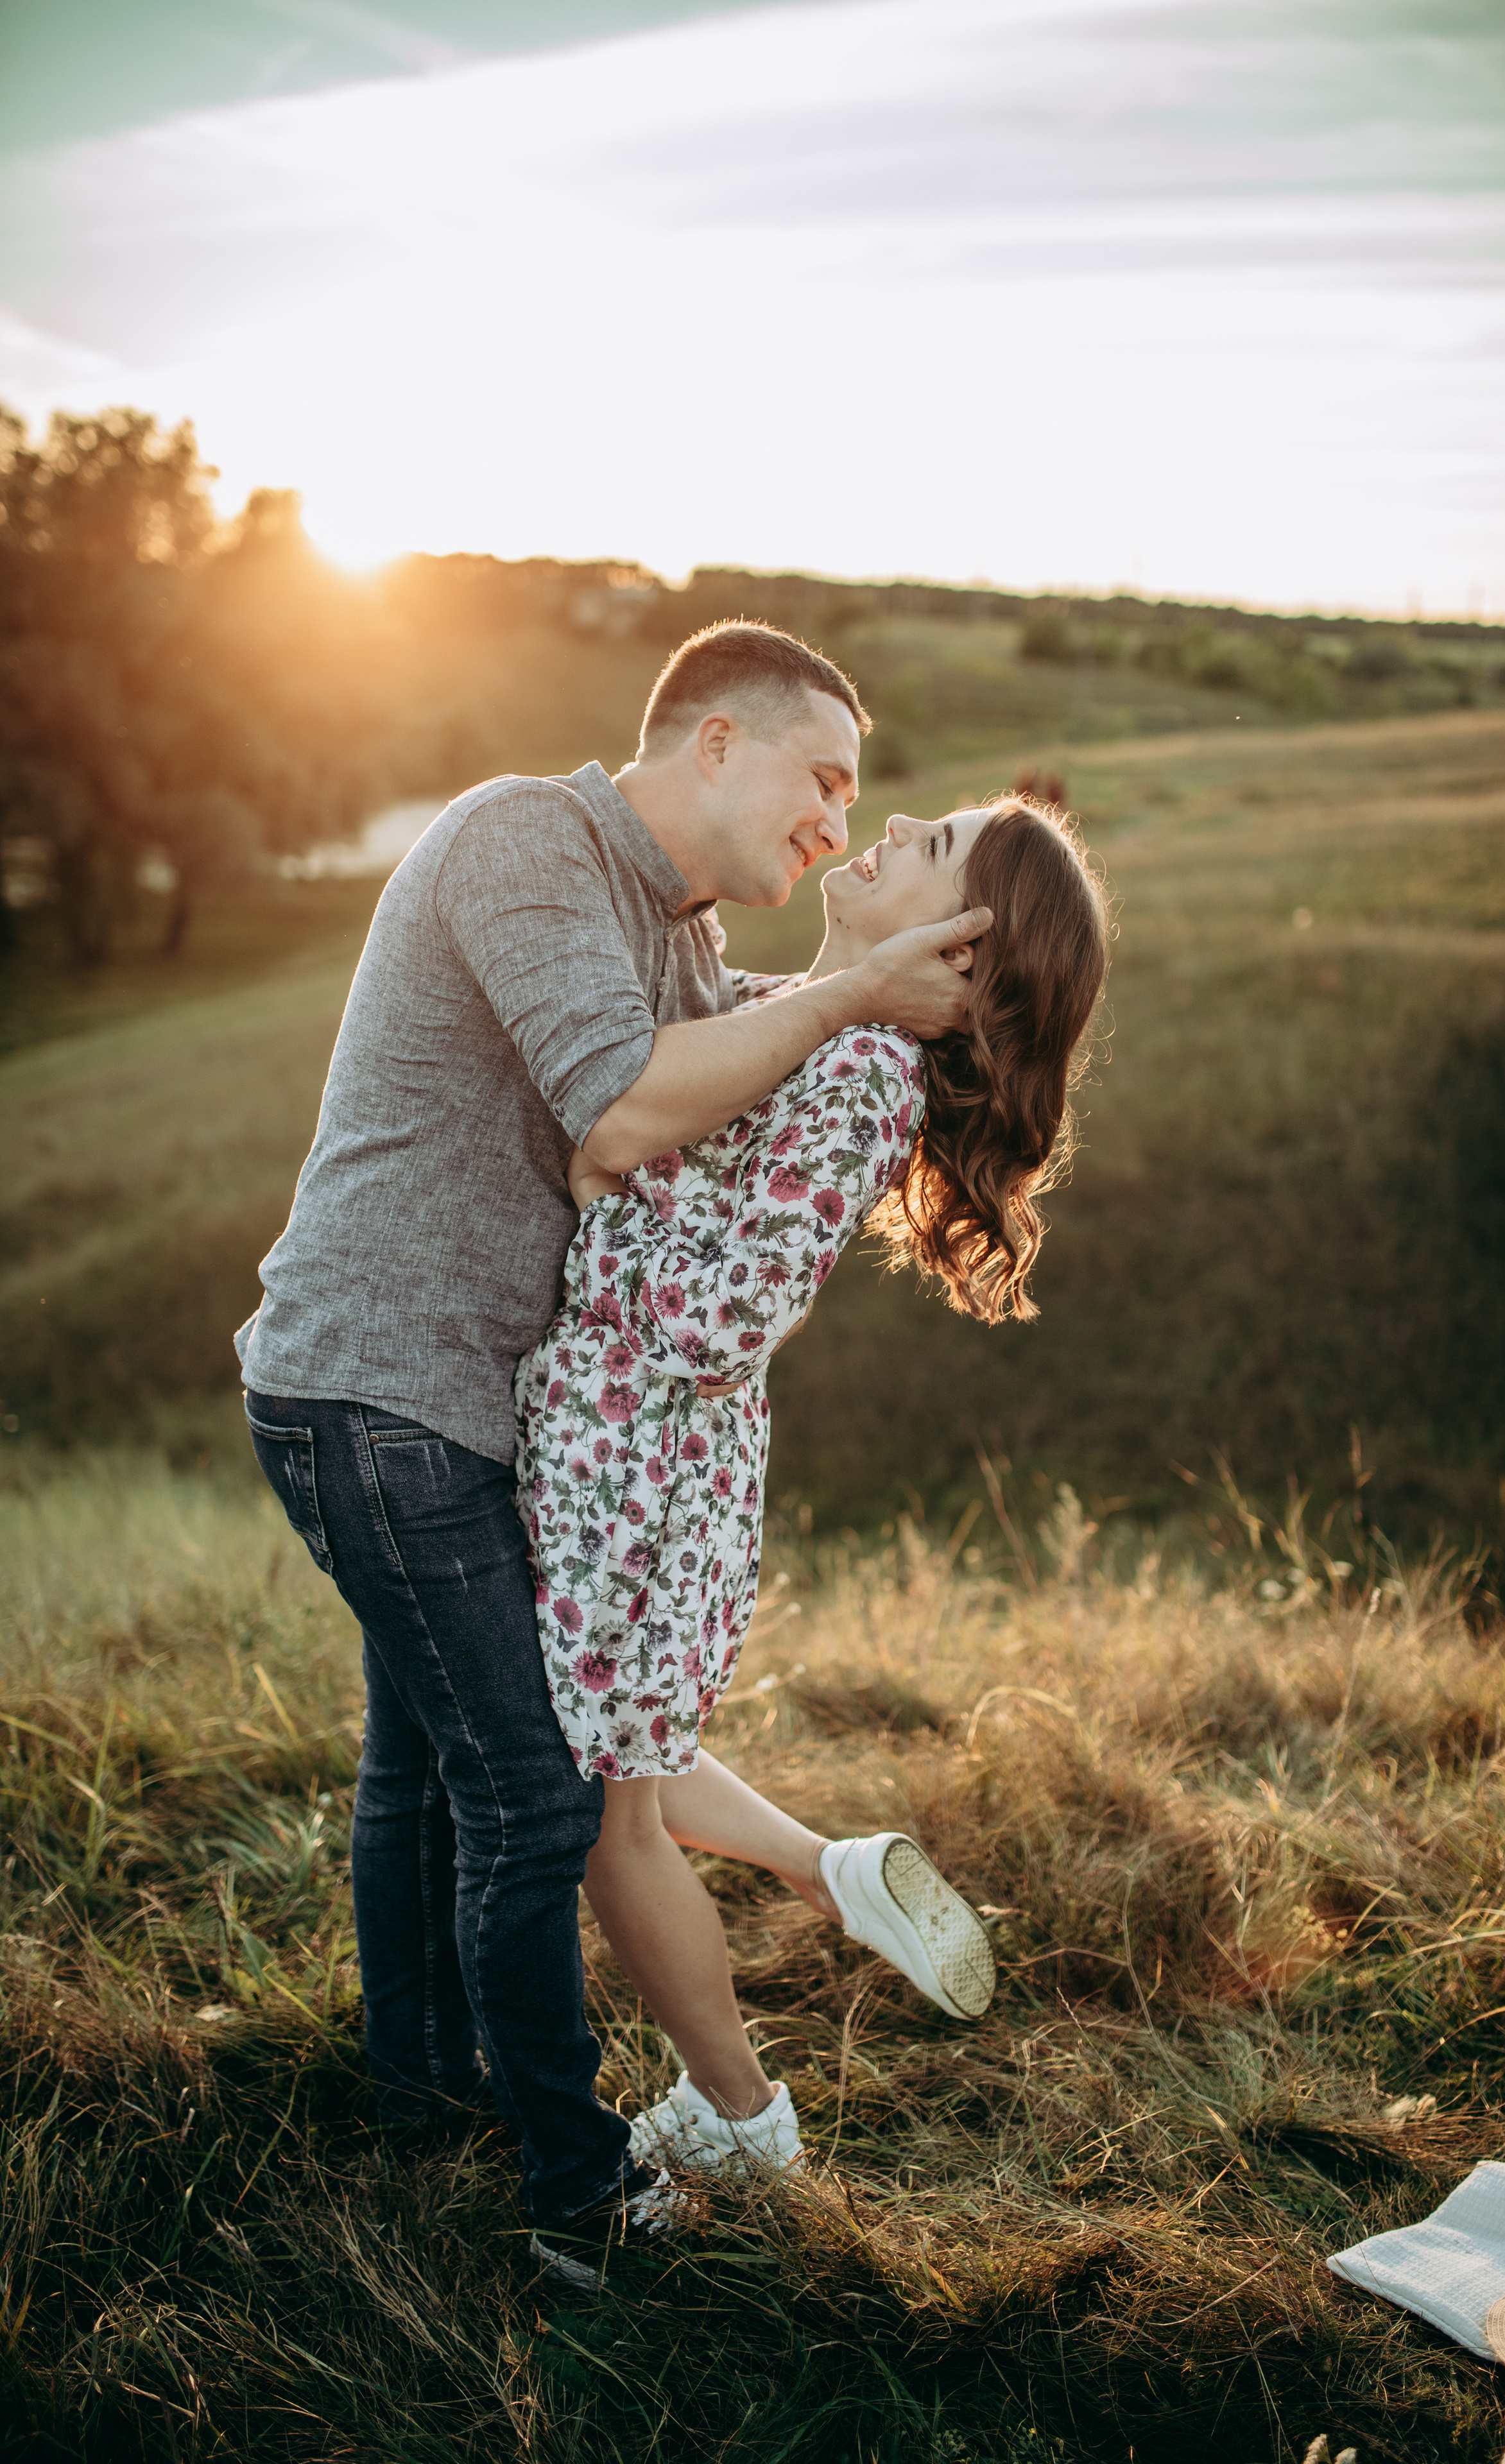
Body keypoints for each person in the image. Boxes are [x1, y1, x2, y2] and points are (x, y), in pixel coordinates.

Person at [236, 623, 992, 2250]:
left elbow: (747, 1098)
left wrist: (877, 1012)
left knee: (424, 1776)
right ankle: (572, 2200)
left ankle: (420, 2108)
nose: (837, 819)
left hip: (467, 1411)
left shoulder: (682, 940)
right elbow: (624, 1108)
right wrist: (860, 980)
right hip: (382, 1389)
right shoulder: (528, 837)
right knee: (534, 1804)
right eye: (824, 777)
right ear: (712, 741)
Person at [515, 792, 1108, 2220]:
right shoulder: (816, 1016)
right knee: (618, 1756)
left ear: (961, 959)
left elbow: (723, 1318)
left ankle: (742, 2118)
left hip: (637, 1476)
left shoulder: (857, 1075)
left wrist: (608, 1176)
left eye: (934, 841)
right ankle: (827, 1870)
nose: (892, 818)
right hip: (626, 1460)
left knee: (606, 1817)